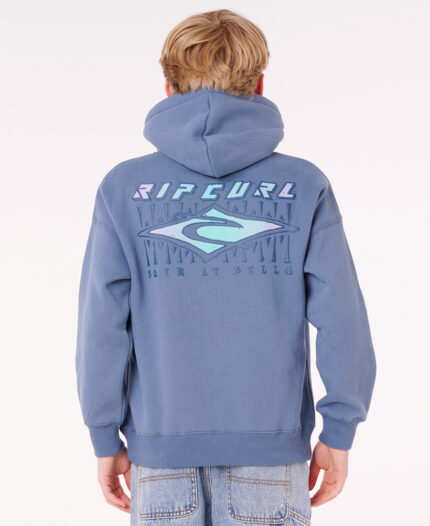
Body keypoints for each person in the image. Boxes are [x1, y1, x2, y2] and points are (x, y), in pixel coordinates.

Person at [76, 9, 376, 525]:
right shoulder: (303, 185)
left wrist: (104, 436)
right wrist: (339, 430)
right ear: (258, 84)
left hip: (160, 453)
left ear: (169, 87)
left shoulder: (124, 188)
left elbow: (100, 326)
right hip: (272, 453)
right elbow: (343, 319)